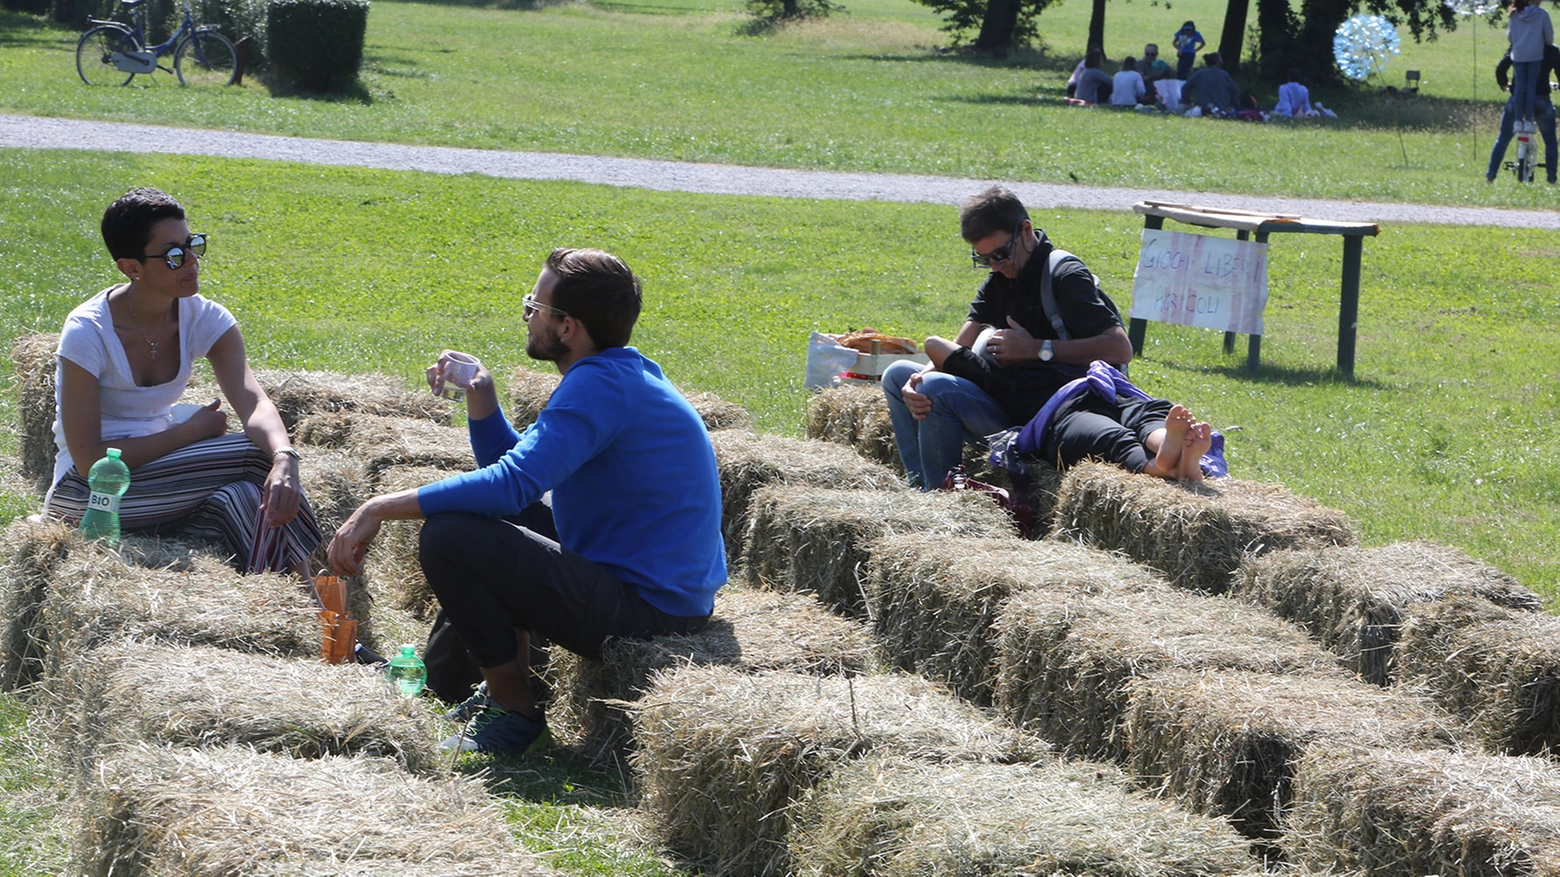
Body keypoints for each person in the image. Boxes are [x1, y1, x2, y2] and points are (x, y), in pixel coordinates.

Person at [327, 247, 726, 756]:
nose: (526, 315)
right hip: (650, 585)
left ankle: (515, 713)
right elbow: (524, 475)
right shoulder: (618, 374)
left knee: (451, 535)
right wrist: (482, 396)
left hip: (651, 610)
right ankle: (452, 681)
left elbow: (511, 485)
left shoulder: (598, 388)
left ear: (566, 328)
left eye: (533, 306)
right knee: (475, 518)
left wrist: (376, 507)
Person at [47, 187, 327, 588]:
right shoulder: (87, 332)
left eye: (192, 245)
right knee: (252, 454)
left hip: (164, 488)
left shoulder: (206, 318)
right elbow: (91, 461)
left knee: (248, 497)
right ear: (131, 267)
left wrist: (285, 456)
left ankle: (289, 628)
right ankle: (323, 617)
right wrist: (189, 433)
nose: (192, 262)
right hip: (90, 499)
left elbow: (254, 402)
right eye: (173, 255)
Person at [881, 187, 1215, 490]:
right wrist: (917, 378)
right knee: (898, 375)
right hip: (1014, 401)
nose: (994, 266)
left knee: (937, 389)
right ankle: (919, 489)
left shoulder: (1063, 275)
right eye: (984, 259)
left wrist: (1038, 349)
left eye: (999, 254)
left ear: (1025, 230)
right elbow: (961, 341)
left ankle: (938, 494)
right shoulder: (999, 279)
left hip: (1064, 403)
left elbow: (1120, 348)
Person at [1489, 44, 1560, 181]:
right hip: (1541, 99)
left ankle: (1490, 176)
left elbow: (1501, 68)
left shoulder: (1519, 44)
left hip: (1518, 99)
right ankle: (1551, 179)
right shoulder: (1552, 50)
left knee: (1503, 138)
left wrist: (1504, 83)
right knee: (1550, 141)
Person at [1508, 0, 1554, 126]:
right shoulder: (1542, 14)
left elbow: (1510, 37)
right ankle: (1528, 120)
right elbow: (1549, 39)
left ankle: (1518, 120)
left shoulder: (1514, 14)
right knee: (1531, 86)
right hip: (1535, 54)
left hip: (1518, 54)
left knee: (1520, 86)